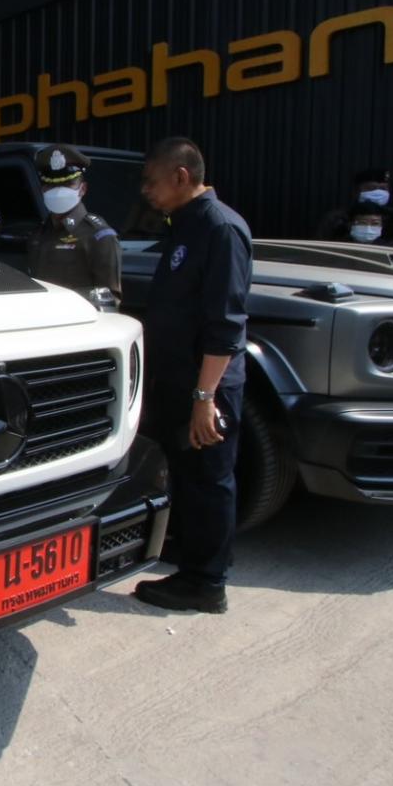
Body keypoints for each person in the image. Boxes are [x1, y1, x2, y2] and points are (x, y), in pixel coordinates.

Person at [132, 137, 252, 614]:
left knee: (209, 479)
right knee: (187, 476)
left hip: (207, 385)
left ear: (181, 177)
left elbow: (224, 323)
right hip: (180, 381)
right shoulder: (183, 227)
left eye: (151, 181)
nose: (146, 190)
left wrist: (205, 397)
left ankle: (206, 584)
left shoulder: (219, 229)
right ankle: (192, 557)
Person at [25, 144, 121, 302]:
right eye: (52, 185)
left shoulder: (99, 236)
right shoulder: (38, 234)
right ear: (43, 189)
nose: (58, 191)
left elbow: (109, 299)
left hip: (80, 323)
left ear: (82, 189)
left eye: (67, 184)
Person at [315, 167, 393, 244]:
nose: (378, 192)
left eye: (383, 189)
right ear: (356, 191)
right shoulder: (335, 219)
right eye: (371, 188)